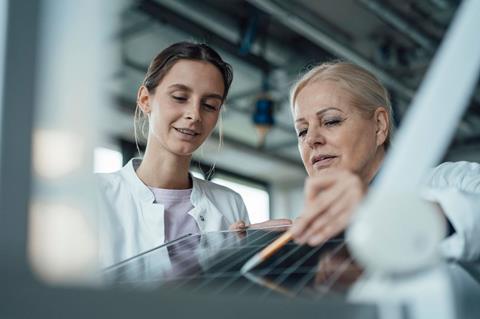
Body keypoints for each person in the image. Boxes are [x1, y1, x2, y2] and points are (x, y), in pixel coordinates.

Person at [97, 42, 289, 268]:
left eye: (209, 105)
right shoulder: (95, 194)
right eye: (179, 97)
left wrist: (245, 258)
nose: (194, 114)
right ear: (145, 100)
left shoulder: (229, 203)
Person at [288, 61, 480, 261]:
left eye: (330, 121)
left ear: (379, 126)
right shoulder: (319, 231)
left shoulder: (451, 180)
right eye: (302, 131)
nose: (311, 139)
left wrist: (386, 209)